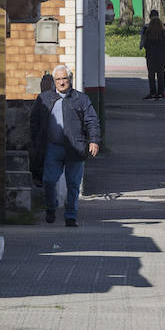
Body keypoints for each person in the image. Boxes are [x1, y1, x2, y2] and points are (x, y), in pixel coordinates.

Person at [29, 65, 101, 227]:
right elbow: (34, 121)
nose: (61, 82)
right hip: (52, 147)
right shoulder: (44, 99)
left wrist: (94, 140)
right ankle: (51, 207)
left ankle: (71, 216)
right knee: (48, 181)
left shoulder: (81, 99)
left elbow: (92, 121)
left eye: (64, 79)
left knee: (73, 184)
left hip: (75, 147)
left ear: (70, 80)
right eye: (58, 79)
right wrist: (35, 141)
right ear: (54, 81)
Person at [139, 9, 165, 100]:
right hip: (161, 54)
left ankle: (152, 92)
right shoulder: (163, 27)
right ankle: (161, 92)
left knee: (151, 74)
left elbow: (143, 40)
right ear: (158, 16)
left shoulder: (146, 27)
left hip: (151, 54)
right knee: (161, 73)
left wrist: (142, 47)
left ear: (150, 17)